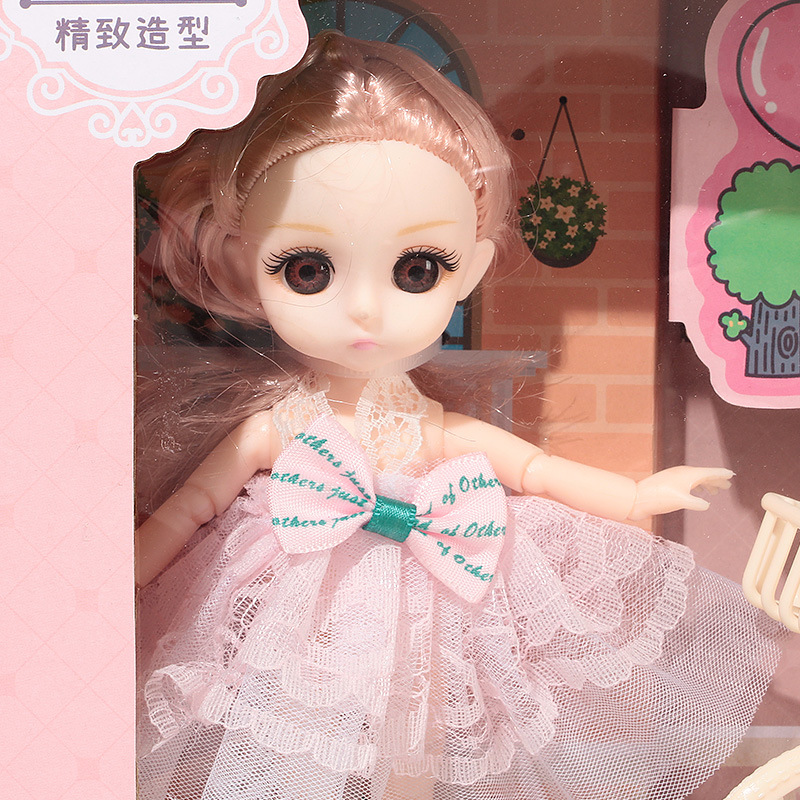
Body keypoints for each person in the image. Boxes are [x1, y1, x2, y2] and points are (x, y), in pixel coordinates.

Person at [136, 31, 781, 800]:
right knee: (288, 725)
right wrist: (121, 570)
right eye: (308, 270)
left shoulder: (434, 431)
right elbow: (191, 507)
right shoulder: (275, 430)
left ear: (470, 269)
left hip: (435, 600)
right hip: (303, 602)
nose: (367, 307)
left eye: (417, 270)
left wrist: (638, 495)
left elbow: (534, 470)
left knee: (424, 735)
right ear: (244, 265)